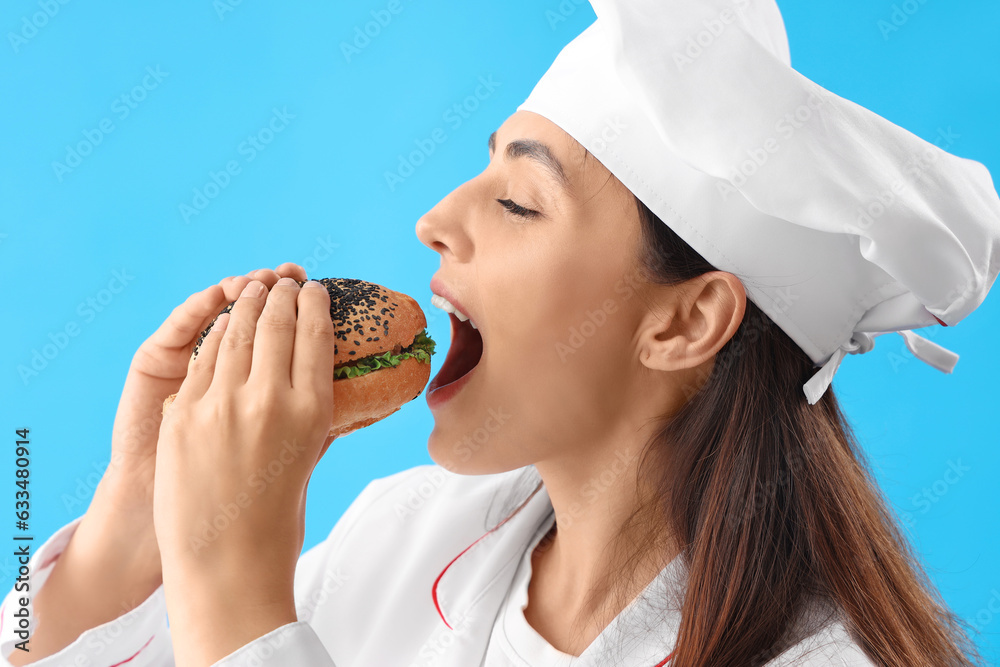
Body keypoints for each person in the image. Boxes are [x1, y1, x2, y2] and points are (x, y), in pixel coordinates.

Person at [3, 1, 998, 666]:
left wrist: (236, 595)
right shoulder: (412, 531)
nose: (435, 216)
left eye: (519, 202)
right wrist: (125, 535)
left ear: (687, 319)